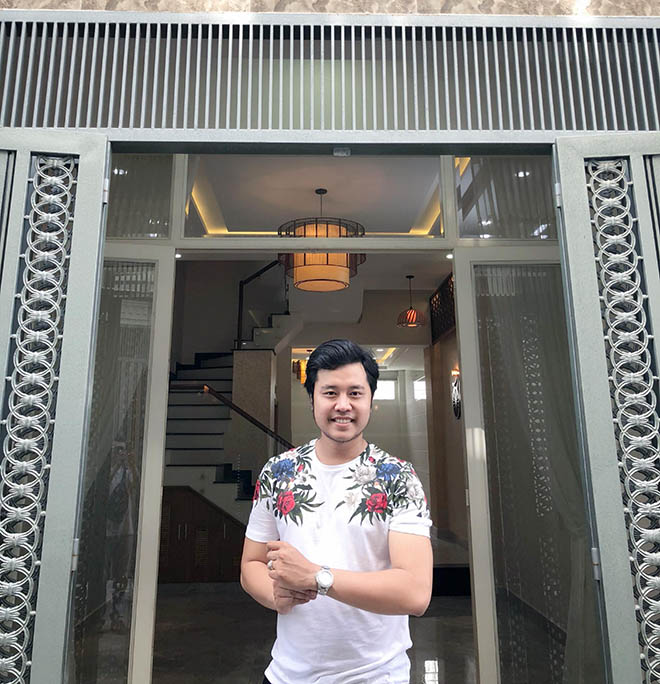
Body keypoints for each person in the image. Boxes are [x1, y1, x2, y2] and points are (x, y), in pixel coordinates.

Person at [240, 339, 433, 684]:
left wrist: (318, 577)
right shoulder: (278, 472)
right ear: (312, 399)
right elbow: (251, 564)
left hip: (376, 677)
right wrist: (275, 594)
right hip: (287, 675)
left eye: (355, 393)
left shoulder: (398, 478)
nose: (343, 405)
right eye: (330, 393)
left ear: (371, 400)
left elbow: (415, 592)